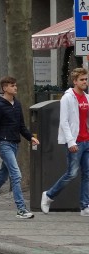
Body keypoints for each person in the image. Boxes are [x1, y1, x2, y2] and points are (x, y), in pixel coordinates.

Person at [0, 76, 39, 220]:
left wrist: (30, 137)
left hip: (14, 144)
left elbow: (21, 126)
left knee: (2, 177)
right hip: (4, 144)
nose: (15, 87)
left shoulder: (17, 104)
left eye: (15, 85)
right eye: (12, 85)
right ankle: (21, 209)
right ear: (4, 88)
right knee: (16, 175)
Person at [40, 67, 89, 217]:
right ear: (75, 81)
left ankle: (85, 206)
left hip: (87, 140)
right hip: (75, 141)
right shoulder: (67, 98)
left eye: (86, 79)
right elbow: (64, 122)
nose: (85, 82)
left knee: (87, 174)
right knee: (72, 173)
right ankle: (48, 195)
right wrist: (70, 142)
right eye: (82, 80)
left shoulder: (87, 97)